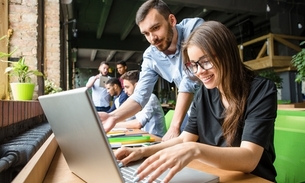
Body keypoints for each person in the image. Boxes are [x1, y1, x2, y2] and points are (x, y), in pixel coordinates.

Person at [114, 21, 277, 183]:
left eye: (206, 62)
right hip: (216, 175)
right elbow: (184, 139)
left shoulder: (261, 90)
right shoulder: (205, 93)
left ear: (227, 54)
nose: (199, 72)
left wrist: (195, 149)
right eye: (193, 65)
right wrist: (143, 152)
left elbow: (249, 159)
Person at [98, 0, 204, 141]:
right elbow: (140, 95)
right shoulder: (151, 55)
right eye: (146, 33)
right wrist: (113, 116)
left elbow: (189, 78)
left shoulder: (194, 29)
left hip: (223, 108)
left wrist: (174, 126)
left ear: (171, 20)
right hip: (195, 115)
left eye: (156, 28)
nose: (152, 38)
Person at [115, 70, 166, 137]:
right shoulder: (134, 100)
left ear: (137, 86)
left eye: (127, 87)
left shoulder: (150, 98)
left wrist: (113, 125)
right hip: (145, 137)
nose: (125, 91)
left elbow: (138, 124)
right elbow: (127, 119)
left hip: (156, 139)